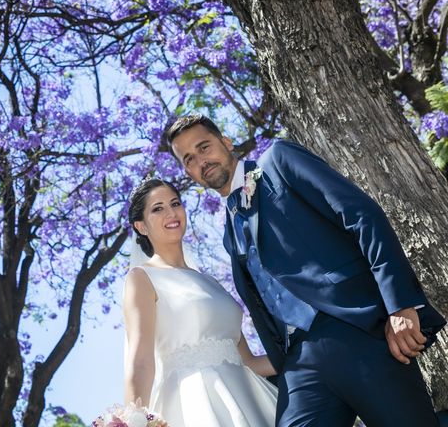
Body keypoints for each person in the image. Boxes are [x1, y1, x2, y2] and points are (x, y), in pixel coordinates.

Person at [165, 113, 446, 427]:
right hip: (298, 363)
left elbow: (361, 216)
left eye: (204, 147)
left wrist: (400, 305)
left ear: (226, 143)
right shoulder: (229, 234)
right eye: (189, 159)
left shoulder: (278, 160)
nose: (200, 161)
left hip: (356, 329)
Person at [123, 178, 278, 426]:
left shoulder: (211, 283)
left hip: (246, 397)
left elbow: (248, 362)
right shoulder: (142, 279)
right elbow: (141, 362)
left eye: (175, 203)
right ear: (141, 226)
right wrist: (132, 420)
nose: (171, 213)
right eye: (158, 208)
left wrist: (304, 357)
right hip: (193, 402)